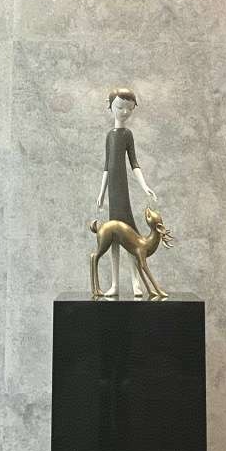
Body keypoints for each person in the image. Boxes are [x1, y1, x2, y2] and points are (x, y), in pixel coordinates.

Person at [96, 87, 157, 297]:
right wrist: (101, 194)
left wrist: (144, 185)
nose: (124, 112)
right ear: (110, 106)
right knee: (113, 238)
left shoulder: (127, 135)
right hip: (112, 194)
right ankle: (114, 284)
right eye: (120, 107)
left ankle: (135, 283)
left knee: (132, 238)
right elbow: (106, 167)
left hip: (122, 193)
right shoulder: (109, 136)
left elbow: (134, 163)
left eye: (129, 109)